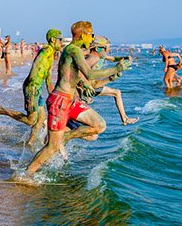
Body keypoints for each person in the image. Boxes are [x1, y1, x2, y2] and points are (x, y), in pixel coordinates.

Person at [24, 21, 129, 175]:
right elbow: (90, 74)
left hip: (70, 101)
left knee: (99, 125)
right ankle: (27, 174)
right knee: (52, 147)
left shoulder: (75, 50)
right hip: (59, 101)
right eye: (90, 35)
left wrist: (88, 82)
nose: (91, 39)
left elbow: (73, 74)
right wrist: (116, 68)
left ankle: (67, 136)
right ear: (82, 35)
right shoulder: (73, 50)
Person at [0, 29, 63, 146]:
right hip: (32, 87)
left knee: (41, 117)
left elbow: (48, 77)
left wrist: (53, 97)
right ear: (53, 40)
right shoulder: (47, 50)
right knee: (31, 120)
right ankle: (2, 110)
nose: (61, 42)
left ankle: (30, 142)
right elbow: (36, 65)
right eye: (60, 40)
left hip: (36, 88)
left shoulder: (51, 54)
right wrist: (31, 89)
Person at [80, 36, 138, 126]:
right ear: (98, 49)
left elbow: (113, 59)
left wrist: (124, 58)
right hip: (88, 87)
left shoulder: (100, 56)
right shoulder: (93, 58)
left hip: (92, 85)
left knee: (116, 92)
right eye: (106, 48)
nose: (108, 50)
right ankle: (124, 119)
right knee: (116, 92)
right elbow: (81, 73)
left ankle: (125, 118)